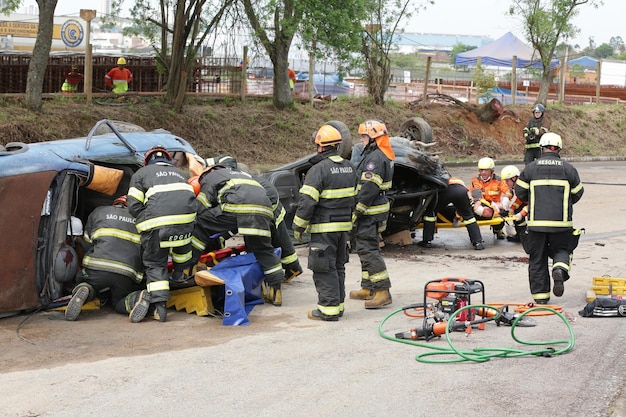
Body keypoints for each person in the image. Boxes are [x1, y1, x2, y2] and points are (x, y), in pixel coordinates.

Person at [191, 159, 285, 306]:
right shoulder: (242, 175)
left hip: (237, 207)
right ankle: (276, 291)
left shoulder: (209, 178)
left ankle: (189, 266)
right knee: (263, 249)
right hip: (264, 210)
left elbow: (201, 207)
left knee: (201, 223)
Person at [292, 124, 357, 321]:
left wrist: (298, 226)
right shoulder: (350, 167)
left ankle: (328, 310)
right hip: (343, 228)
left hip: (323, 229)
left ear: (320, 146)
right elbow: (356, 198)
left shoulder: (318, 170)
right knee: (338, 266)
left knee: (323, 268)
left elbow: (307, 202)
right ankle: (338, 306)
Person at [205, 154, 303, 282]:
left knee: (257, 246)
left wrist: (222, 235)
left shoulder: (229, 182)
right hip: (271, 207)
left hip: (259, 211)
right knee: (280, 240)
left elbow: (233, 214)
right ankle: (292, 267)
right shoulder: (243, 177)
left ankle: (267, 278)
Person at [127, 145, 197, 323]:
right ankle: (179, 277)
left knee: (155, 263)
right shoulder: (182, 174)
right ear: (167, 159)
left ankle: (160, 308)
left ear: (147, 160)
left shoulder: (141, 174)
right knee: (182, 253)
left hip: (157, 225)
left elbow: (133, 205)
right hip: (186, 224)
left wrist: (146, 220)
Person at [515, 132, 584, 304]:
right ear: (559, 148)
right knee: (562, 250)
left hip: (536, 224)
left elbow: (520, 192)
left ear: (542, 148)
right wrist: (565, 203)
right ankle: (559, 269)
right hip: (561, 224)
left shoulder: (530, 168)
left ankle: (541, 298)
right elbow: (578, 193)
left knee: (537, 258)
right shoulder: (568, 169)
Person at [65, 196, 144, 321]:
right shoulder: (142, 220)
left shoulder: (99, 212)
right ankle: (135, 299)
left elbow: (86, 244)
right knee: (120, 300)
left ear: (115, 203)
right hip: (126, 273)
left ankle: (85, 289)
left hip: (97, 268)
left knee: (88, 282)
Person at [349, 119, 394, 309]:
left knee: (369, 251)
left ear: (374, 138)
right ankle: (368, 287)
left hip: (369, 211)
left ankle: (383, 291)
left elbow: (368, 188)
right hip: (374, 211)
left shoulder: (375, 159)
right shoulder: (377, 154)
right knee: (364, 249)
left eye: (364, 136)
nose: (361, 140)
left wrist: (356, 211)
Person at [417, 177, 485, 250]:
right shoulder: (449, 177)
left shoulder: (432, 178)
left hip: (447, 191)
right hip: (461, 191)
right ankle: (478, 242)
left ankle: (427, 241)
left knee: (430, 212)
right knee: (468, 216)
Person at [469, 157, 510, 240]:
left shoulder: (498, 180)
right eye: (481, 170)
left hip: (496, 208)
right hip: (481, 205)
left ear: (492, 171)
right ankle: (475, 236)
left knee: (502, 215)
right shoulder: (475, 180)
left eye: (486, 170)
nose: (483, 173)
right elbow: (476, 193)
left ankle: (498, 229)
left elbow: (508, 191)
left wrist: (505, 201)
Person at [500, 165, 527, 243]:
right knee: (517, 210)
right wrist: (512, 209)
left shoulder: (524, 186)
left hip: (535, 205)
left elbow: (532, 203)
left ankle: (528, 236)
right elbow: (521, 198)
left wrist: (522, 213)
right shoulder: (517, 186)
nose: (505, 183)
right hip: (528, 203)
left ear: (514, 178)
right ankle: (520, 235)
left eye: (507, 181)